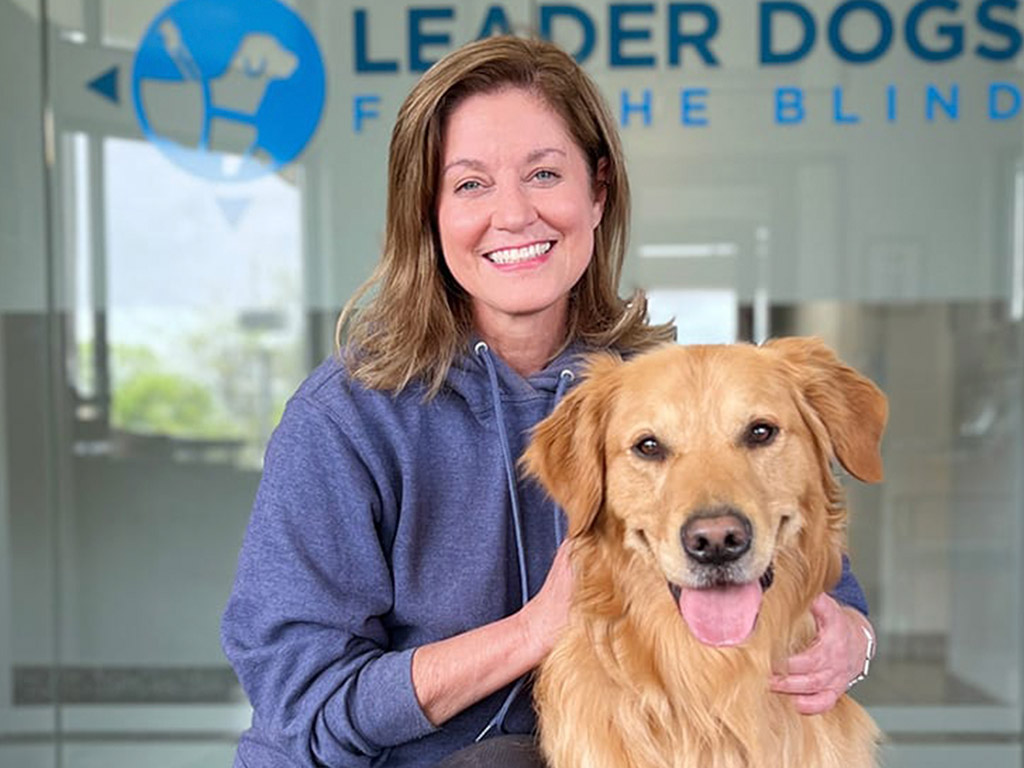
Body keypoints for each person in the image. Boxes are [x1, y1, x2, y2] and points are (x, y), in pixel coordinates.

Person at [221, 35, 877, 768]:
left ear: (597, 191)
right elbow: (302, 707)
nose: (514, 214)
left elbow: (805, 565)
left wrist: (853, 637)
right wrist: (534, 632)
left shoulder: (656, 386)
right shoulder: (347, 419)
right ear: (429, 214)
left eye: (543, 173)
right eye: (470, 184)